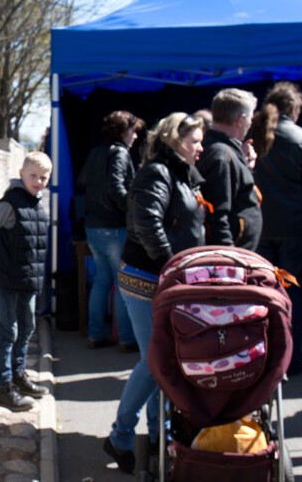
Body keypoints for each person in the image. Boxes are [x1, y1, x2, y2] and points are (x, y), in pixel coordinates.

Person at [103, 112, 206, 473]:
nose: (200, 147)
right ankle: (120, 438)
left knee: (161, 363)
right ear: (175, 139)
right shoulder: (156, 172)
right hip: (149, 279)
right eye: (194, 140)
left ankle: (155, 436)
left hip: (166, 279)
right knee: (153, 362)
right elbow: (147, 223)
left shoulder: (178, 173)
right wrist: (172, 267)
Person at [251, 81, 302, 376]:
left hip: (257, 229)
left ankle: (266, 359)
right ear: (295, 109)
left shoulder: (254, 134)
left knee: (261, 295)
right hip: (294, 228)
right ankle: (293, 358)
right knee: (292, 296)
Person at [0, 151, 53, 411]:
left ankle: (18, 375)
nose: (39, 181)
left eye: (44, 177)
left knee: (26, 328)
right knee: (7, 331)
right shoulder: (10, 203)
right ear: (22, 174)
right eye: (33, 175)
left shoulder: (37, 203)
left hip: (28, 280)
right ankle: (3, 385)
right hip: (6, 279)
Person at [79, 110, 145, 350]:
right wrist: (132, 209)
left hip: (93, 225)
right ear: (122, 131)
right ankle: (126, 338)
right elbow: (115, 186)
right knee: (122, 282)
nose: (136, 136)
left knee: (102, 280)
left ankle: (96, 334)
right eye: (133, 130)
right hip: (114, 226)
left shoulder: (96, 152)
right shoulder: (119, 152)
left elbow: (84, 181)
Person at [197, 88, 262, 250]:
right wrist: (229, 256)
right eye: (250, 120)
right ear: (241, 120)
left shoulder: (224, 151)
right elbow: (217, 214)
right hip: (231, 257)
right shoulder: (221, 155)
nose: (250, 125)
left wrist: (243, 166)